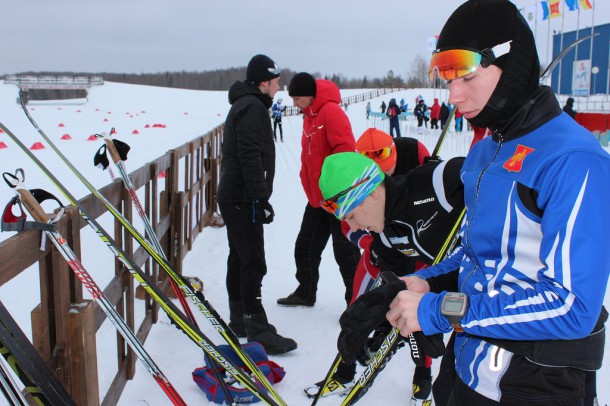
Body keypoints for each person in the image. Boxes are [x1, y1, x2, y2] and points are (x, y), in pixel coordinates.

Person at [379, 1, 609, 405]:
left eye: (466, 76)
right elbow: (476, 255)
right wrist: (428, 281)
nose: (453, 94)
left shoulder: (573, 160)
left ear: (512, 65)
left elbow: (571, 307)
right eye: (446, 79)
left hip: (537, 382)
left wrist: (437, 311)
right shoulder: (485, 152)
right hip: (466, 368)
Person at [317, 151, 465, 404]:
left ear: (371, 193)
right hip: (471, 297)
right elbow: (402, 286)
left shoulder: (434, 182)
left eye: (351, 215)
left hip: (523, 289)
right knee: (448, 392)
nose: (353, 228)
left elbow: (491, 171)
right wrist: (381, 325)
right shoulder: (385, 238)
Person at [217, 54, 297, 355]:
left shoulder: (248, 104)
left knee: (239, 258)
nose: (279, 87)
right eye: (276, 82)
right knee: (253, 262)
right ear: (263, 82)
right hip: (242, 197)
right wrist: (260, 197)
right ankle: (256, 327)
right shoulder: (252, 108)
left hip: (237, 195)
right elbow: (250, 154)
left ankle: (240, 321)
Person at [277, 72, 360, 307]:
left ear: (309, 95)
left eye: (296, 98)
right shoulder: (309, 116)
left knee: (345, 251)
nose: (294, 103)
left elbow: (345, 151)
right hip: (317, 199)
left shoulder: (331, 112)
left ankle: (356, 302)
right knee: (305, 246)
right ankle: (306, 291)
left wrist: (335, 186)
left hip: (337, 196)